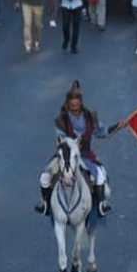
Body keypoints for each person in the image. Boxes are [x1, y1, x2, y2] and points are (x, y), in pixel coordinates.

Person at [36, 81, 113, 217]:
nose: (75, 109)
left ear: (81, 103)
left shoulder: (90, 117)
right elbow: (60, 140)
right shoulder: (61, 120)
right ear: (68, 104)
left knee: (100, 176)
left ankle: (101, 205)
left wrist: (116, 126)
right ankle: (46, 205)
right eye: (72, 106)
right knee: (44, 177)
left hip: (85, 155)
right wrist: (70, 144)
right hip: (66, 156)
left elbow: (101, 132)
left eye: (77, 106)